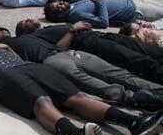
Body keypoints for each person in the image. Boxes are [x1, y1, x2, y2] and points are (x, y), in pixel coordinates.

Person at [0, 40, 163, 135]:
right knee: (41, 102)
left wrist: (7, 47)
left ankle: (133, 123)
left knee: (75, 97)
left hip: (27, 66)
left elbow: (18, 59)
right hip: (1, 78)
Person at [0, 25, 163, 109]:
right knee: (95, 84)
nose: (2, 31)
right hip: (51, 62)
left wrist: (71, 32)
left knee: (116, 73)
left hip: (69, 53)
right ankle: (136, 99)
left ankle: (157, 90)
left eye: (3, 30)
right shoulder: (1, 48)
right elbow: (20, 66)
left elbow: (61, 44)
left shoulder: (33, 36)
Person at [15, 19, 163, 89]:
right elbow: (58, 50)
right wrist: (73, 29)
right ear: (24, 33)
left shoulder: (46, 28)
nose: (27, 20)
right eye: (23, 24)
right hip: (92, 44)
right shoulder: (37, 38)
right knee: (139, 61)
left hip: (103, 36)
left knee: (151, 51)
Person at [44, 0, 163, 28]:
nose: (61, 2)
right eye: (59, 6)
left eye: (59, 1)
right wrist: (100, 2)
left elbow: (95, 3)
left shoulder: (72, 6)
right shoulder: (75, 15)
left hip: (131, 2)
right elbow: (103, 22)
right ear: (59, 15)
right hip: (135, 11)